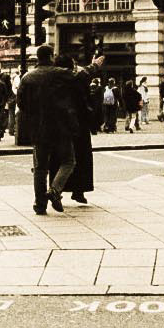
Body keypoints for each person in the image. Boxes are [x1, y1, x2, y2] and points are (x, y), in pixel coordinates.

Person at [17, 44, 104, 216]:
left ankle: (39, 204)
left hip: (38, 129)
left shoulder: (27, 77)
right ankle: (55, 190)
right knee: (68, 161)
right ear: (50, 56)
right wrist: (95, 65)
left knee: (40, 168)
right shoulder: (58, 73)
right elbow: (81, 76)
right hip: (60, 127)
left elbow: (21, 103)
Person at [56, 55, 95, 205]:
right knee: (80, 158)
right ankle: (78, 190)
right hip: (77, 124)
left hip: (60, 124)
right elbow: (85, 100)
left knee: (59, 159)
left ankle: (59, 190)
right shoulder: (73, 80)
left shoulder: (56, 81)